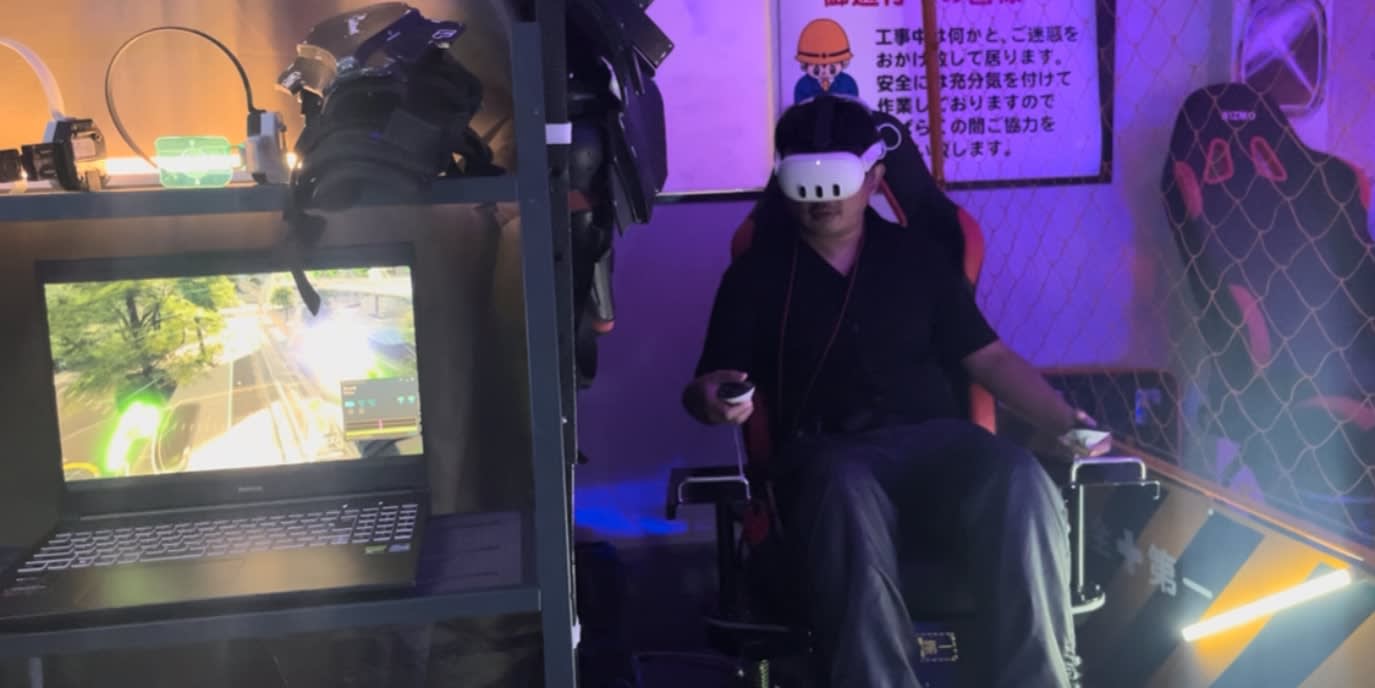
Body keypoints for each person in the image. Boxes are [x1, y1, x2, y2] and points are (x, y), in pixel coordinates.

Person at [681, 95, 1095, 688]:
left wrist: (1063, 419)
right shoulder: (755, 275)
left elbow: (990, 357)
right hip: (830, 453)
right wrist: (715, 398)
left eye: (838, 179)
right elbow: (707, 386)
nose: (821, 199)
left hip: (939, 446)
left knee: (1019, 475)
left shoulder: (919, 260)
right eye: (804, 181)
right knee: (845, 488)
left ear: (874, 178)